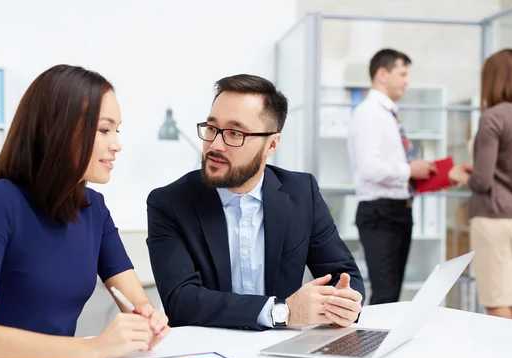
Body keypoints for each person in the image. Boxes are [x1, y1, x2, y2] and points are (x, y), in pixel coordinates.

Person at [0, 64, 169, 358]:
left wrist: (150, 324)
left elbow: (138, 304)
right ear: (55, 129)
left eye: (116, 130)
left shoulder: (95, 209)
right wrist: (93, 348)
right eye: (104, 129)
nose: (117, 144)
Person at [147, 74, 365, 330]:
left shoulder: (301, 193)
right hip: (210, 351)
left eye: (235, 133)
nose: (215, 144)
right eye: (211, 128)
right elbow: (180, 302)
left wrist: (345, 304)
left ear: (271, 144)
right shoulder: (170, 202)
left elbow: (343, 275)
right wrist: (281, 312)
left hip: (282, 350)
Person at [449, 49, 512, 320]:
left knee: (495, 302)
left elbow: (482, 182)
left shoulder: (492, 118)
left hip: (493, 220)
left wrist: (459, 175)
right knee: (509, 298)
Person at [348, 49, 436, 305]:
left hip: (397, 211)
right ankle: (372, 344)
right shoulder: (369, 112)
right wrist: (409, 171)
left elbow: (387, 165)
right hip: (380, 213)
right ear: (383, 74)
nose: (407, 81)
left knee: (393, 295)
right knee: (385, 295)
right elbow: (369, 168)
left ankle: (385, 343)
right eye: (403, 74)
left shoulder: (387, 112)